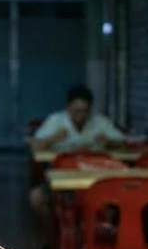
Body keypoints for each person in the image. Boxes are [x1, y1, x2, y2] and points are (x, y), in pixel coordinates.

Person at [27, 85, 125, 220]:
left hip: (95, 180)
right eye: (76, 111)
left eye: (84, 111)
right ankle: (57, 235)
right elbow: (35, 147)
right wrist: (54, 138)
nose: (80, 115)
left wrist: (109, 142)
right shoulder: (56, 120)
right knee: (36, 198)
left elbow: (123, 142)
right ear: (68, 108)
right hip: (62, 183)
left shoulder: (99, 122)